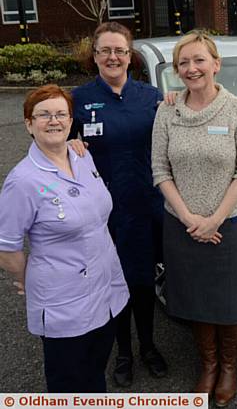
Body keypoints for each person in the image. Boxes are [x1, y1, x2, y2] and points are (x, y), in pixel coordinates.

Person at [151, 31, 237, 406]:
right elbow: (160, 170)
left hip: (226, 224)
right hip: (181, 225)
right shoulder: (167, 111)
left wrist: (214, 219)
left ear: (216, 64)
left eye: (199, 60)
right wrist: (188, 218)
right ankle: (208, 365)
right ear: (176, 70)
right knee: (195, 298)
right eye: (184, 63)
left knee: (227, 301)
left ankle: (228, 366)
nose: (191, 68)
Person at [0, 85, 128, 392]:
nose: (53, 121)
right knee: (68, 381)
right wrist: (26, 277)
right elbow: (7, 247)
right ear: (29, 124)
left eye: (61, 114)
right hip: (63, 301)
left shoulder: (82, 155)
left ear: (71, 122)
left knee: (95, 371)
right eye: (43, 114)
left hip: (104, 288)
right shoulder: (23, 181)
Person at [71, 22, 167, 387]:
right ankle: (123, 352)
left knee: (143, 282)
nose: (113, 57)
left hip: (145, 206)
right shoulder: (78, 99)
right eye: (105, 51)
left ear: (131, 56)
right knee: (113, 284)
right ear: (94, 56)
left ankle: (148, 346)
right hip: (102, 214)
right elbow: (55, 151)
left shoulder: (152, 96)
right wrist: (69, 146)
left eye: (120, 51)